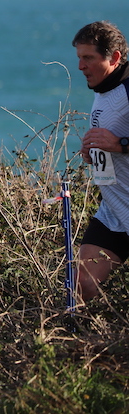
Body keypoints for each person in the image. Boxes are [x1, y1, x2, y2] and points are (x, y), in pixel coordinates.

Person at [73, 21, 129, 302]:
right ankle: (87, 343)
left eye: (89, 58)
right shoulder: (103, 89)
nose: (81, 66)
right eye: (79, 58)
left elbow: (119, 142)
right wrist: (94, 153)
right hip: (115, 210)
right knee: (82, 282)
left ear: (115, 57)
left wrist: (120, 145)